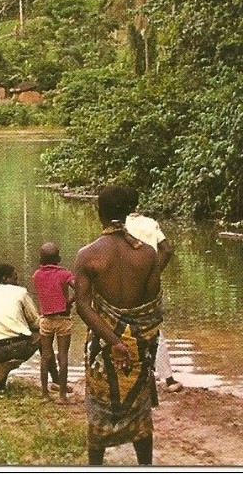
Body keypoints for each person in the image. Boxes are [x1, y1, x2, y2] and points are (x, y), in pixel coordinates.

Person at [75, 185, 173, 466]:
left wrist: (113, 340)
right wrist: (129, 339)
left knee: (99, 410)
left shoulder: (88, 255)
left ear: (99, 212)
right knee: (140, 411)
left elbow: (83, 305)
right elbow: (151, 306)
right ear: (129, 212)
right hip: (137, 346)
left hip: (104, 346)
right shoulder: (148, 255)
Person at [123, 191, 183, 395]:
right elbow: (167, 249)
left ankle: (132, 375)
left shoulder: (120, 226)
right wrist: (155, 273)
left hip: (126, 283)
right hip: (149, 285)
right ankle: (168, 378)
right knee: (154, 328)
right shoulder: (150, 223)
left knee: (122, 326)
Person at [32, 242, 75, 403]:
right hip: (63, 319)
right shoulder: (64, 274)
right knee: (62, 356)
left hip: (46, 320)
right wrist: (68, 302)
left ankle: (44, 394)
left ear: (41, 259)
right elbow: (79, 288)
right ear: (58, 258)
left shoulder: (36, 275)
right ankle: (62, 396)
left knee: (46, 356)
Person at [0, 263, 42, 364]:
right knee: (45, 331)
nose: (17, 283)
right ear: (5, 279)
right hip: (17, 349)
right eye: (15, 279)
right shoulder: (20, 292)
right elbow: (36, 323)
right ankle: (52, 375)